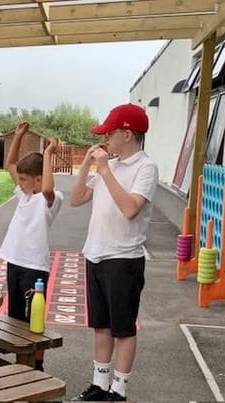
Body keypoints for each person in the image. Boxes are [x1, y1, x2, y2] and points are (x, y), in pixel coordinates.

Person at [70, 103, 158, 401]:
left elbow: (131, 208)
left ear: (127, 134)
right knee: (101, 326)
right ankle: (100, 383)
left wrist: (106, 169)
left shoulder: (145, 167)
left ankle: (118, 390)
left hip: (123, 258)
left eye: (109, 132)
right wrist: (87, 165)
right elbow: (77, 198)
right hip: (96, 253)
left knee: (123, 328)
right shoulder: (114, 164)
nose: (105, 137)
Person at [0, 121, 63, 371]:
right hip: (15, 262)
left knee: (31, 318)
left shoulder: (50, 199)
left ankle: (36, 365)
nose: (20, 182)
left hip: (34, 268)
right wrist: (18, 136)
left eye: (25, 179)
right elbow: (10, 164)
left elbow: (47, 187)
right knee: (15, 317)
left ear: (37, 180)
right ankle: (19, 363)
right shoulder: (24, 195)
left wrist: (47, 154)